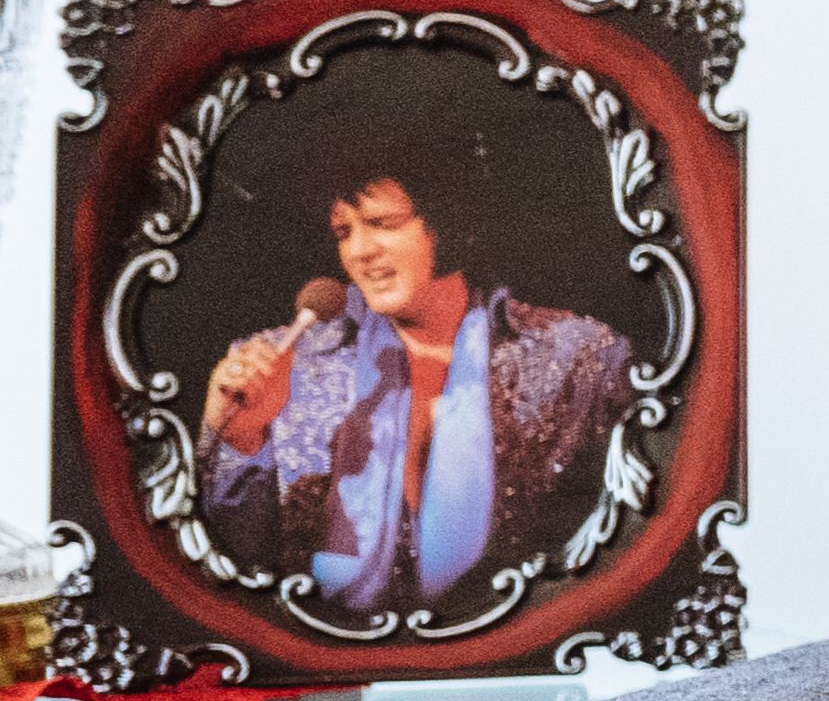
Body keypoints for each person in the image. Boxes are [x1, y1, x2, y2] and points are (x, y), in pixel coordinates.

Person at [196, 154, 639, 612]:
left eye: (382, 223)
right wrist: (241, 441)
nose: (359, 251)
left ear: (446, 221)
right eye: (344, 232)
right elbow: (237, 569)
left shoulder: (576, 356)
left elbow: (619, 543)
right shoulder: (281, 363)